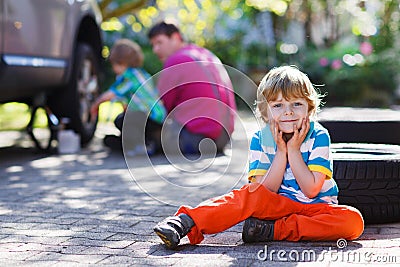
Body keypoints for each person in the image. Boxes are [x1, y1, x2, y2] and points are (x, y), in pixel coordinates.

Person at [153, 66, 364, 249]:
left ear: (309, 108)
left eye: (296, 104)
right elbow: (264, 191)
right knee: (249, 194)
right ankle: (186, 221)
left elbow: (311, 190)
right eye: (278, 105)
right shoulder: (261, 138)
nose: (288, 112)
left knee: (353, 221)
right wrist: (281, 152)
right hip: (276, 207)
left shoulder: (318, 135)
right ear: (265, 112)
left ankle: (272, 231)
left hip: (317, 210)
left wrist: (293, 150)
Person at [148, 21, 237, 154]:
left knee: (126, 120)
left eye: (159, 42)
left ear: (175, 37)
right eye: (153, 45)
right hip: (223, 139)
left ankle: (138, 143)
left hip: (195, 140)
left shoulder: (175, 60)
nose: (155, 50)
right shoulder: (205, 54)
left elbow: (159, 108)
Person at [90, 39, 166, 155]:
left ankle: (141, 145)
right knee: (119, 128)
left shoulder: (129, 76)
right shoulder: (141, 73)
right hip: (157, 117)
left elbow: (111, 94)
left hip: (149, 117)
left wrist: (95, 105)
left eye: (114, 65)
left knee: (121, 120)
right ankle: (144, 143)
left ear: (121, 63)